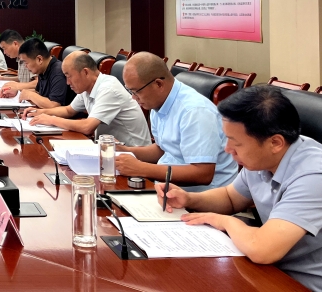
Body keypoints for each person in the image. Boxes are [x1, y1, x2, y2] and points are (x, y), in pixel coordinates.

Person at [158, 86, 322, 290]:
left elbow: (262, 250)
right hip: (269, 271)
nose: (227, 149)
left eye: (236, 143)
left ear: (275, 143)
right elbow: (230, 197)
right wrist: (189, 199)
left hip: (303, 283)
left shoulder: (314, 175)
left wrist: (224, 221)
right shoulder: (263, 158)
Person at [116, 52, 237, 191]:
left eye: (136, 91)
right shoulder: (157, 102)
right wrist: (125, 151)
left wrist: (142, 168)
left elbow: (203, 174)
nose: (133, 97)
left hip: (204, 197)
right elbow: (163, 149)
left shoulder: (195, 111)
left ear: (158, 84)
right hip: (168, 189)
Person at [24, 52, 151, 147]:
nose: (67, 82)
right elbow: (69, 110)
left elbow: (87, 127)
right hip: (109, 150)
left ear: (85, 72)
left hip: (132, 154)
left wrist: (51, 120)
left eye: (69, 76)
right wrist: (40, 112)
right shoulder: (87, 87)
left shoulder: (109, 89)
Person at [13, 38, 67, 108]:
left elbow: (54, 105)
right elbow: (39, 93)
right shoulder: (42, 69)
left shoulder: (58, 72)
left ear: (39, 59)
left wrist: (30, 95)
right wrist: (17, 91)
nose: (26, 66)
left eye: (26, 63)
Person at [0, 30, 36, 94]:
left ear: (15, 44)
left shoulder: (31, 54)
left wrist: (17, 86)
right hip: (23, 94)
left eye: (4, 48)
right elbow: (22, 78)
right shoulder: (20, 56)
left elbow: (38, 82)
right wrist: (3, 78)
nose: (4, 52)